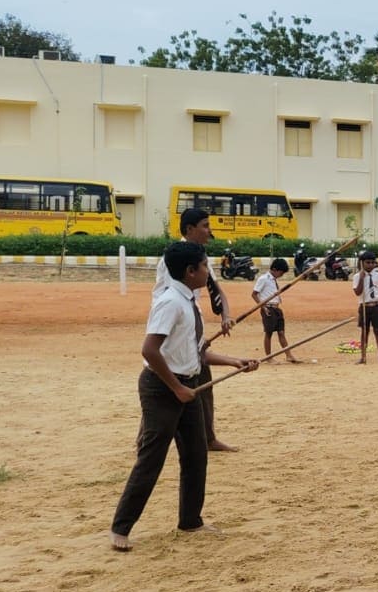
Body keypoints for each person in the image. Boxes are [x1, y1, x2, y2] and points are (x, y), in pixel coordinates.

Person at [110, 241, 258, 551]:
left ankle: (191, 521)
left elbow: (198, 353)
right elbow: (149, 350)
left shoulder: (189, 301)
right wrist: (176, 388)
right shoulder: (170, 302)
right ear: (190, 271)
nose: (207, 272)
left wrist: (236, 361)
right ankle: (120, 528)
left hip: (187, 386)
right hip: (162, 388)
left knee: (195, 455)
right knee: (151, 458)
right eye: (204, 267)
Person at [154, 207, 237, 452]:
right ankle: (146, 438)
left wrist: (225, 315)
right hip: (173, 327)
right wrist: (187, 334)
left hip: (191, 323)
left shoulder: (200, 256)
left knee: (203, 383)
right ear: (190, 229)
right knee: (165, 386)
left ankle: (208, 437)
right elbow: (171, 300)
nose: (209, 231)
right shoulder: (174, 258)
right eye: (205, 226)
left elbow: (216, 289)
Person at [252, 258, 302, 363]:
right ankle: (268, 357)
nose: (281, 275)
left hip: (276, 308)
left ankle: (289, 355)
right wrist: (263, 307)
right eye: (281, 273)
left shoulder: (274, 280)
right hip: (268, 308)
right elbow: (254, 294)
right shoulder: (263, 279)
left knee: (281, 332)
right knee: (269, 333)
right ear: (274, 269)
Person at [352, 250, 378, 364]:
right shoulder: (357, 276)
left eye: (372, 262)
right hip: (364, 306)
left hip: (376, 306)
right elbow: (357, 292)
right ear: (362, 263)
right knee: (364, 332)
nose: (370, 265)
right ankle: (363, 356)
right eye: (367, 262)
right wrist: (362, 278)